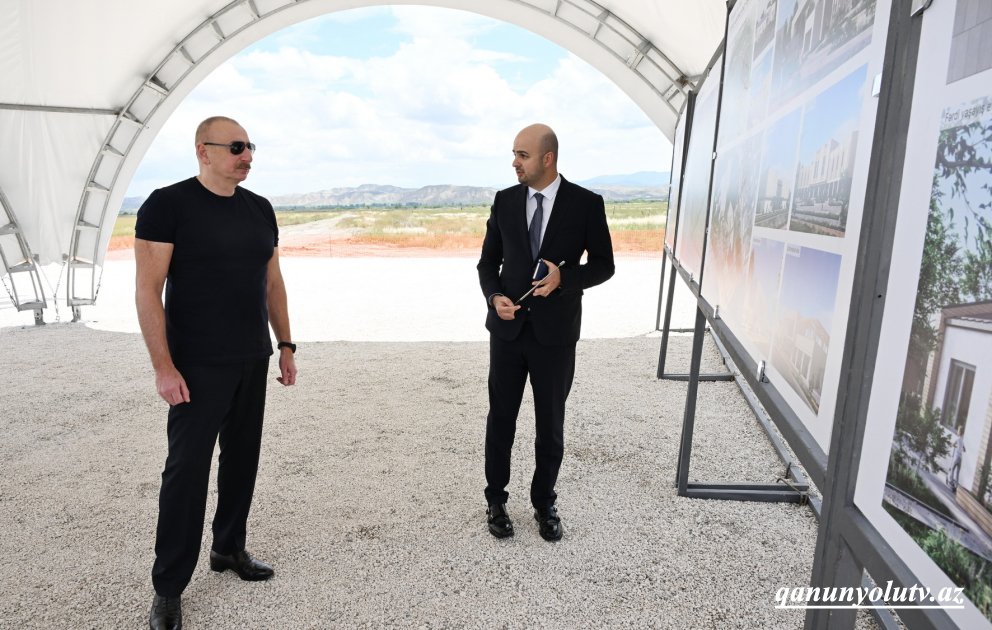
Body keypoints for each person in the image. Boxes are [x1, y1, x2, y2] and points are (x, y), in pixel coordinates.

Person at [135, 116, 298, 630]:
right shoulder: (167, 205)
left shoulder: (260, 208)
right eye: (236, 147)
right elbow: (148, 290)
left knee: (242, 461)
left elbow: (272, 281)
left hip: (252, 357)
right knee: (186, 473)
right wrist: (163, 367)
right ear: (203, 151)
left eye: (250, 146)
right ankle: (168, 587)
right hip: (196, 365)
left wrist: (285, 344)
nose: (246, 155)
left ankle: (228, 548)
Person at [477, 123, 614, 541]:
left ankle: (544, 503)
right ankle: (496, 500)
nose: (514, 162)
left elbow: (604, 265)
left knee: (550, 424)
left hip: (555, 336)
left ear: (547, 159)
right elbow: (487, 264)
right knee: (501, 420)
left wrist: (564, 279)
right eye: (514, 154)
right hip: (507, 332)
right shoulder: (504, 201)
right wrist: (494, 297)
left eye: (522, 155)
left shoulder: (586, 203)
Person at [948, 426, 965, 492]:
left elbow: (952, 445)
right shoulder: (962, 441)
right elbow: (964, 449)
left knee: (952, 469)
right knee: (957, 472)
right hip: (960, 458)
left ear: (959, 432)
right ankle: (956, 486)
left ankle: (951, 482)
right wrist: (961, 448)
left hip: (956, 457)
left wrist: (955, 446)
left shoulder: (957, 439)